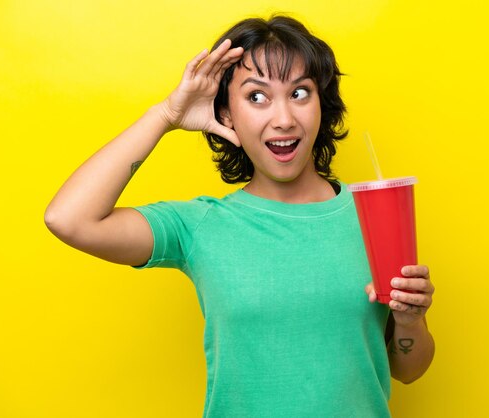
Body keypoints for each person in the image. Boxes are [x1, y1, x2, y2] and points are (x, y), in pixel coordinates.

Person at [45, 15, 435, 418]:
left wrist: (410, 323)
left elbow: (408, 370)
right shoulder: (200, 226)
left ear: (322, 105)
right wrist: (164, 116)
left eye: (300, 93)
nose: (283, 118)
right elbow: (68, 219)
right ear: (226, 114)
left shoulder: (374, 215)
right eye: (257, 97)